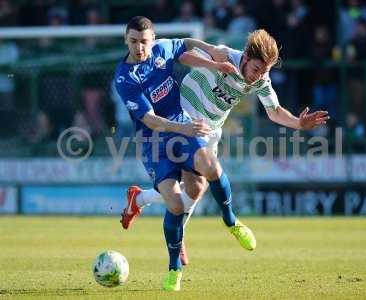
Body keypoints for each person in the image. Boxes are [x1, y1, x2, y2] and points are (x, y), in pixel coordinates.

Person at [125, 29, 330, 264]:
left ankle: (139, 199)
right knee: (194, 184)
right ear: (244, 57)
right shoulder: (222, 55)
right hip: (184, 121)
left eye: (265, 71)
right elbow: (183, 54)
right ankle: (178, 233)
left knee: (196, 189)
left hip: (210, 131)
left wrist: (298, 124)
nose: (258, 76)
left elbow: (274, 112)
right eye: (256, 69)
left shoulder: (261, 79)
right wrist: (206, 62)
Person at [115, 16, 255, 292]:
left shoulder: (161, 49)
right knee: (177, 205)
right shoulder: (124, 78)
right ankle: (173, 269)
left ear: (152, 40)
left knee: (210, 170)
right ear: (125, 40)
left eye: (144, 41)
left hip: (181, 127)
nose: (139, 48)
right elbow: (151, 120)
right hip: (154, 142)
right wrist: (185, 128)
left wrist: (213, 55)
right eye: (133, 41)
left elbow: (186, 44)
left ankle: (231, 222)